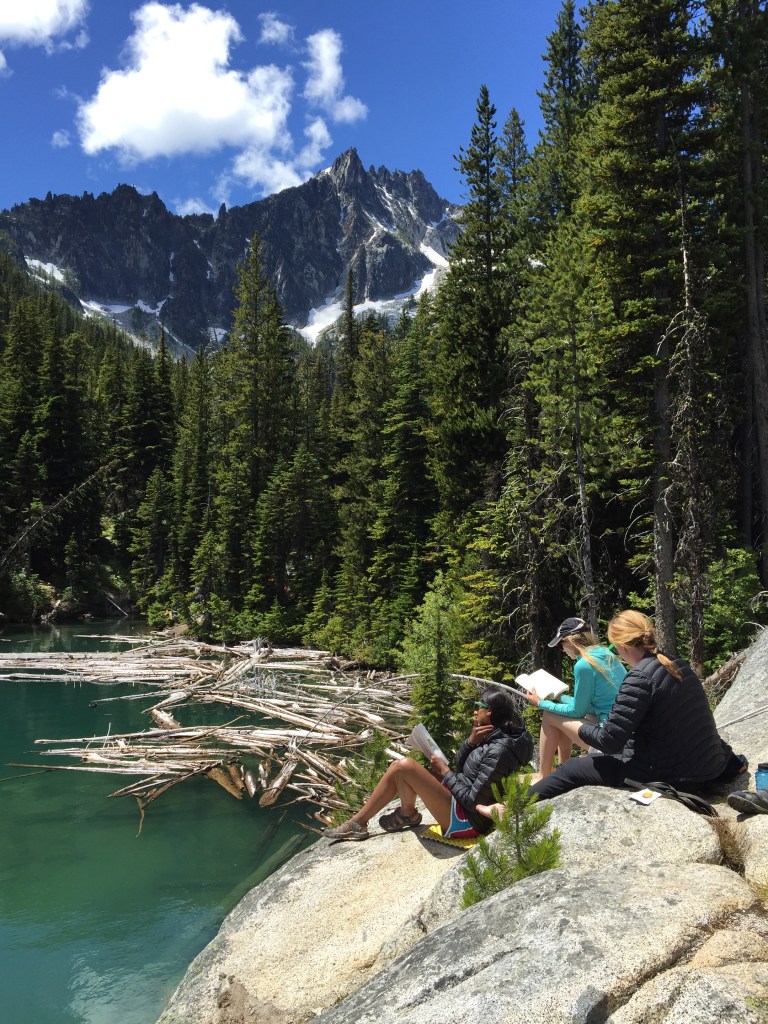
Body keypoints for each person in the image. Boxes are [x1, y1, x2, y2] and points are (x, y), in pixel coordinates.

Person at [477, 610, 740, 815]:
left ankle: (511, 810)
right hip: (708, 765)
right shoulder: (676, 663)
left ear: (622, 646)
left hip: (671, 776)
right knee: (581, 761)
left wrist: (575, 725)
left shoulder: (639, 677)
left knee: (572, 769)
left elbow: (608, 740)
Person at [323, 688, 534, 841]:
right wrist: (470, 743)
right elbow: (462, 769)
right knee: (401, 769)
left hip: (468, 821)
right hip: (461, 806)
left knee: (403, 766)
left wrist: (444, 771)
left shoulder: (499, 750)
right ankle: (407, 814)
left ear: (489, 712)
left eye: (477, 707)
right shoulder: (491, 738)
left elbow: (472, 801)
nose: (473, 711)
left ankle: (358, 823)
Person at [526, 617, 625, 779]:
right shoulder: (605, 654)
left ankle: (543, 777)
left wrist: (541, 703)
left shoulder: (584, 665)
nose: (562, 650)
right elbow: (592, 706)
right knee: (561, 713)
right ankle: (563, 768)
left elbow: (576, 711)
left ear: (570, 640)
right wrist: (559, 697)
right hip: (622, 734)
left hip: (608, 741)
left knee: (550, 715)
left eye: (561, 645)